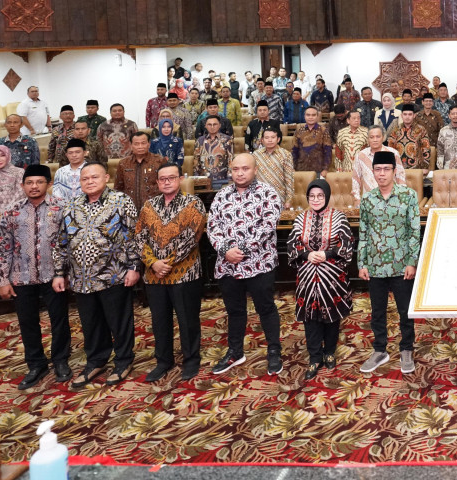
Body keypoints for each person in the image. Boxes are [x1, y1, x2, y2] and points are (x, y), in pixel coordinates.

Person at [53, 162, 139, 389]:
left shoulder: (121, 200)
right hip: (81, 278)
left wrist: (134, 267)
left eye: (94, 177)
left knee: (118, 321)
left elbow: (133, 237)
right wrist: (59, 272)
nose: (90, 181)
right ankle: (96, 360)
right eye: (85, 178)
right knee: (91, 323)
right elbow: (62, 241)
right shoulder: (71, 205)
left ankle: (123, 360)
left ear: (106, 177)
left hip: (114, 274)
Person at [0, 164, 72, 389]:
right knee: (27, 322)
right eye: (29, 182)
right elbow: (2, 248)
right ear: (22, 185)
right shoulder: (12, 211)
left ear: (48, 184)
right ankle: (36, 364)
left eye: (39, 182)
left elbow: (68, 243)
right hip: (21, 277)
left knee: (60, 320)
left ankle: (60, 360)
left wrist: (65, 273)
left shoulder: (61, 209)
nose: (34, 186)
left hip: (54, 275)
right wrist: (3, 279)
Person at [209, 153, 283, 376]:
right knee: (235, 310)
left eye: (245, 169)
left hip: (259, 263)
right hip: (227, 265)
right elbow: (213, 226)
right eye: (235, 169)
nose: (240, 173)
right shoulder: (221, 195)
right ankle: (235, 351)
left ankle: (274, 350)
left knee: (266, 308)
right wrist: (225, 251)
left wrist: (240, 251)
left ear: (255, 169)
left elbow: (266, 226)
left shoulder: (268, 194)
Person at [135, 161, 207, 382]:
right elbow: (139, 237)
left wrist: (166, 263)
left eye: (172, 178)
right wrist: (152, 263)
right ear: (157, 182)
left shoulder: (193, 203)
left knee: (187, 320)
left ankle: (191, 360)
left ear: (180, 179)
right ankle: (163, 361)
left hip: (185, 275)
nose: (167, 182)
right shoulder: (148, 206)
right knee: (159, 321)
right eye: (163, 179)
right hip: (154, 275)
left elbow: (192, 238)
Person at [357, 150, 421, 375]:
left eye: (386, 169)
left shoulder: (408, 196)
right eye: (377, 169)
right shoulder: (367, 198)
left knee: (405, 310)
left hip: (401, 264)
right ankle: (380, 350)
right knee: (377, 311)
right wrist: (361, 262)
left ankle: (406, 348)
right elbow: (363, 232)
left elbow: (414, 232)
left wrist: (412, 262)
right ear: (372, 172)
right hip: (375, 265)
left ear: (394, 171)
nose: (381, 173)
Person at [290, 179, 353, 380]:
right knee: (310, 318)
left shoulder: (339, 218)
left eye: (320, 196)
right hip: (307, 277)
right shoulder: (300, 219)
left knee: (331, 316)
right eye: (312, 196)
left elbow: (347, 244)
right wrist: (306, 255)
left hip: (332, 276)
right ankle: (315, 357)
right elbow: (292, 246)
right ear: (307, 198)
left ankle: (330, 352)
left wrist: (327, 254)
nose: (316, 200)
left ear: (326, 197)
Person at [253, 127, 295, 207]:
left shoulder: (286, 155)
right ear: (262, 140)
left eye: (273, 137)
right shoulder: (256, 155)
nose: (270, 140)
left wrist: (289, 200)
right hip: (260, 197)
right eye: (267, 138)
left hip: (279, 197)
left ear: (278, 139)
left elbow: (289, 179)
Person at [387, 104, 431, 170]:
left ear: (414, 115)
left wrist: (425, 167)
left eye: (410, 114)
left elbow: (426, 149)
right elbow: (390, 149)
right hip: (398, 168)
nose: (407, 117)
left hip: (417, 168)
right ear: (401, 116)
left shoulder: (421, 130)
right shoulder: (396, 130)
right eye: (405, 114)